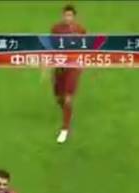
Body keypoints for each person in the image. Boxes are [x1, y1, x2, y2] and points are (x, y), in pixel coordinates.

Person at [50, 4, 86, 143]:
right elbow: (50, 47)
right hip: (59, 67)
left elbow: (86, 48)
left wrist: (82, 63)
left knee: (67, 98)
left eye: (70, 15)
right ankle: (67, 110)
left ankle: (65, 129)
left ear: (74, 17)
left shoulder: (80, 30)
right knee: (59, 97)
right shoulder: (56, 29)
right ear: (63, 16)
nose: (67, 18)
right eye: (66, 15)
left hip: (73, 68)